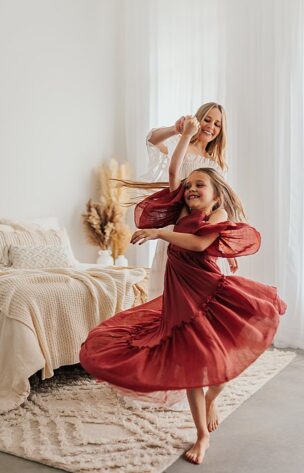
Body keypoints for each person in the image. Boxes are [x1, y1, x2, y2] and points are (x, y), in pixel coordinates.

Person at [80, 162, 286, 465]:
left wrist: (160, 234)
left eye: (200, 185)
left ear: (216, 196)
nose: (191, 189)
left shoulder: (218, 213)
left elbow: (200, 242)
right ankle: (202, 435)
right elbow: (175, 176)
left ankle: (211, 399)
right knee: (193, 368)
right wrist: (185, 138)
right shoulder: (182, 214)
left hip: (207, 293)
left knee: (220, 363)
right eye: (189, 186)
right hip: (180, 296)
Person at [144, 103, 236, 296]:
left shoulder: (217, 164)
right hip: (178, 226)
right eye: (207, 120)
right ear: (197, 119)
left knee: (202, 294)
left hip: (204, 230)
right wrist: (177, 130)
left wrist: (229, 251)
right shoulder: (182, 145)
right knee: (171, 290)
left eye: (217, 124)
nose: (211, 126)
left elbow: (221, 203)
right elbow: (152, 140)